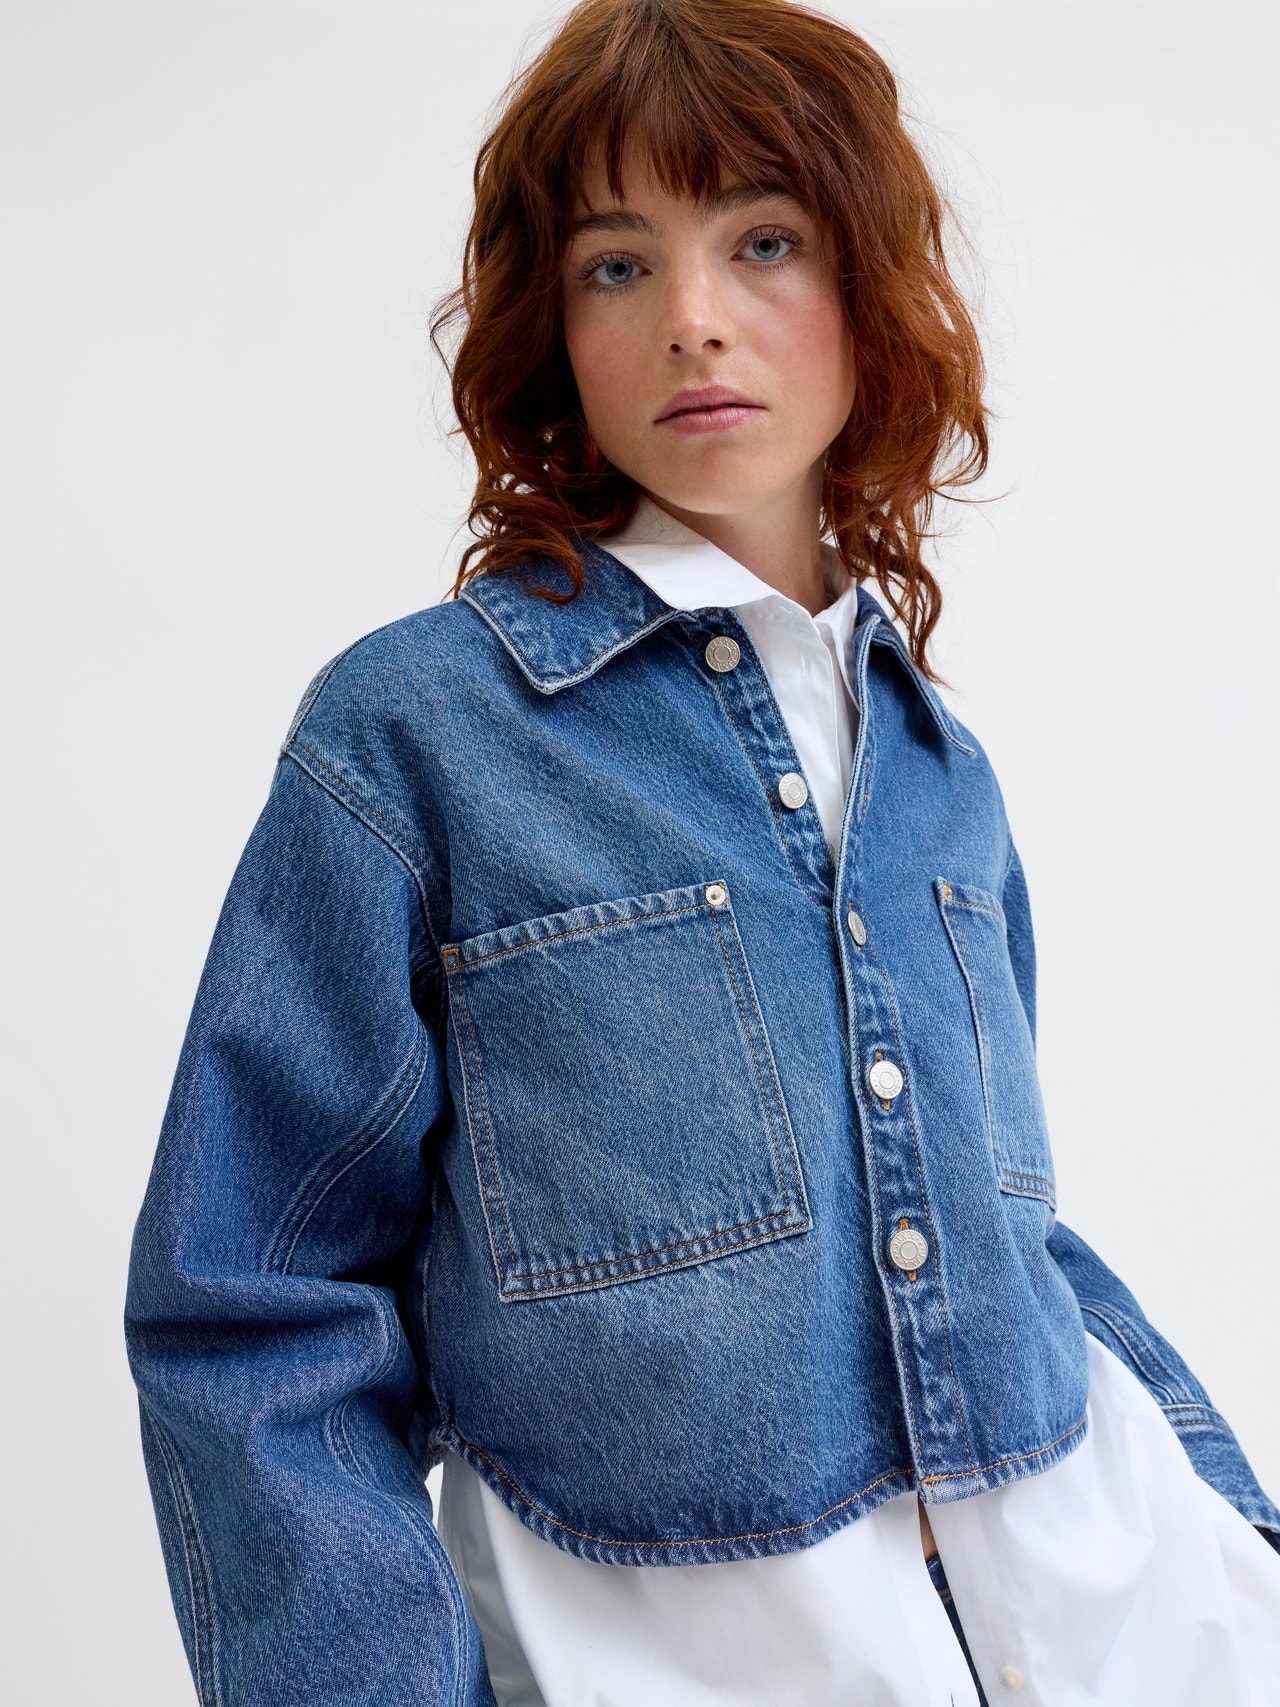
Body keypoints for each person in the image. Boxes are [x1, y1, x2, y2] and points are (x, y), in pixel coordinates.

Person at [125, 1, 1280, 1702]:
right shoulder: (417, 735)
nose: (692, 318)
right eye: (617, 265)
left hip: (1128, 1634)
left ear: (869, 288)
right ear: (554, 327)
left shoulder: (941, 763)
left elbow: (1013, 1240)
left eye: (765, 242)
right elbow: (252, 1311)